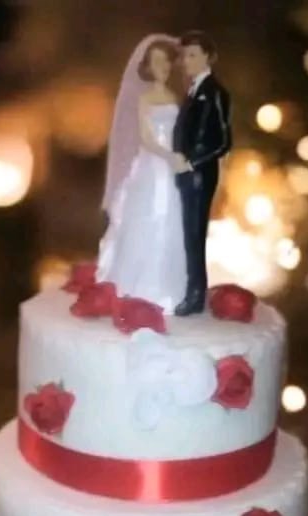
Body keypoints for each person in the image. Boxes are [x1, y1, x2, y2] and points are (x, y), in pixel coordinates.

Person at [96, 35, 188, 314]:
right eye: (156, 61)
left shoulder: (172, 96)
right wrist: (169, 156)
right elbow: (147, 138)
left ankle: (171, 287)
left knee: (173, 220)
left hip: (173, 165)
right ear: (148, 65)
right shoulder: (145, 98)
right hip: (154, 164)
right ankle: (138, 286)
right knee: (150, 216)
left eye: (165, 61)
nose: (162, 67)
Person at [172, 30, 232, 316]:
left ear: (208, 57)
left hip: (198, 175)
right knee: (188, 236)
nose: (187, 61)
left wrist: (193, 162)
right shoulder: (193, 89)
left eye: (193, 55)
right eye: (184, 56)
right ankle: (191, 289)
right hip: (186, 174)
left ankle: (195, 296)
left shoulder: (215, 92)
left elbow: (222, 140)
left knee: (195, 237)